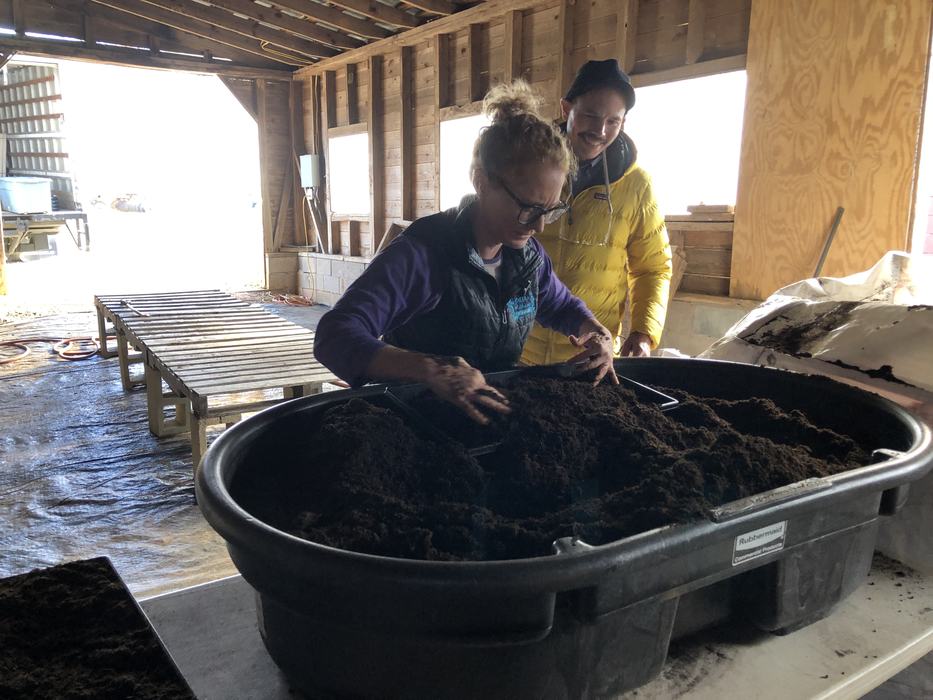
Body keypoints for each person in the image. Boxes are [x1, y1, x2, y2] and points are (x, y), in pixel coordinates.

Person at [314, 81, 618, 424]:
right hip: (414, 422)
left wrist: (598, 334)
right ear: (481, 181)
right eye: (528, 208)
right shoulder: (426, 255)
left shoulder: (527, 257)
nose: (539, 227)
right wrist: (431, 369)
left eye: (550, 210)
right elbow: (334, 335)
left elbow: (562, 306)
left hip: (486, 416)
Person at [521, 59, 672, 365]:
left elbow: (652, 267)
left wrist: (643, 332)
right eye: (589, 115)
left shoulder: (637, 186)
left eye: (612, 121)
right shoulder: (526, 169)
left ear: (623, 122)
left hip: (590, 356)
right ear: (566, 109)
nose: (599, 131)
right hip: (519, 349)